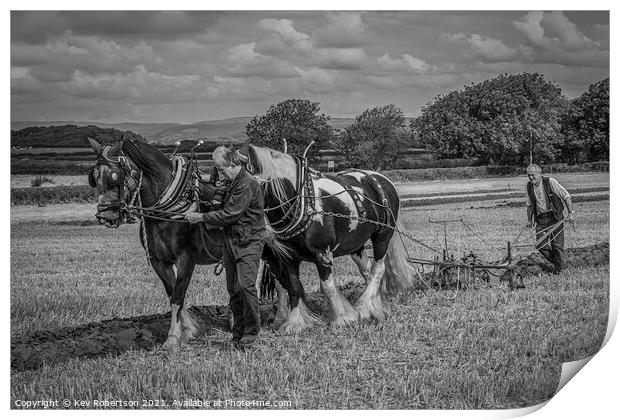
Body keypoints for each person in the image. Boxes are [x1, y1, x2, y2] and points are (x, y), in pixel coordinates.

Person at [186, 143, 265, 349]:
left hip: (248, 242)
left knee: (246, 287)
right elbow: (220, 206)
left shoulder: (246, 184)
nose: (219, 174)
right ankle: (237, 333)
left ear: (232, 164)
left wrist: (201, 217)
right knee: (234, 290)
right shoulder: (231, 182)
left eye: (221, 169)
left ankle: (251, 333)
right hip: (231, 241)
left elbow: (230, 214)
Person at [525, 164, 574, 274]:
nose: (531, 178)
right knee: (540, 244)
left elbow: (566, 196)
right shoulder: (529, 186)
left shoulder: (550, 182)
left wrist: (570, 213)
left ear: (539, 174)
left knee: (557, 245)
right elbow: (529, 205)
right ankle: (559, 263)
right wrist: (529, 220)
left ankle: (560, 270)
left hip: (555, 217)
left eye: (533, 175)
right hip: (541, 218)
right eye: (529, 175)